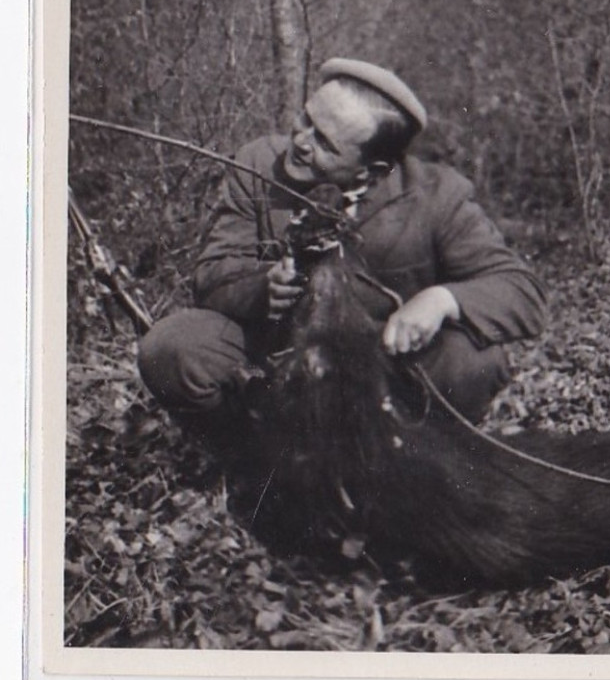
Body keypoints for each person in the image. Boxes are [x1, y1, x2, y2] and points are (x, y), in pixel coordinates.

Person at [138, 58, 546, 430]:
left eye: (326, 144)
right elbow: (212, 272)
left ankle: (411, 468)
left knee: (474, 360)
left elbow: (521, 292)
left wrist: (442, 300)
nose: (300, 141)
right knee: (172, 346)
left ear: (373, 169)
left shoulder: (437, 196)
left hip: (384, 375)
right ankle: (251, 464)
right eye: (305, 120)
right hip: (277, 365)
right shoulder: (258, 165)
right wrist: (262, 287)